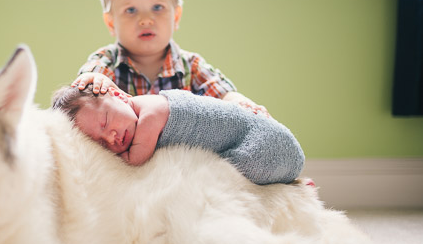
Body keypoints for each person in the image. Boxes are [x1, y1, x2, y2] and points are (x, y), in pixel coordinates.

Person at [73, 0, 267, 114]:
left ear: (175, 17)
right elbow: (89, 79)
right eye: (131, 10)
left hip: (181, 153)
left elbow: (223, 93)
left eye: (157, 8)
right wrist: (94, 82)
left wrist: (241, 102)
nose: (146, 20)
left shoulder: (191, 66)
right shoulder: (107, 61)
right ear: (111, 23)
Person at [51, 84, 304, 185]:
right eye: (100, 143)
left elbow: (135, 162)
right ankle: (287, 182)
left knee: (232, 179)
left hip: (259, 139)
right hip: (247, 144)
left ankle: (288, 183)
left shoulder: (152, 109)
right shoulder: (132, 119)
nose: (112, 137)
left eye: (106, 121)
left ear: (118, 95)